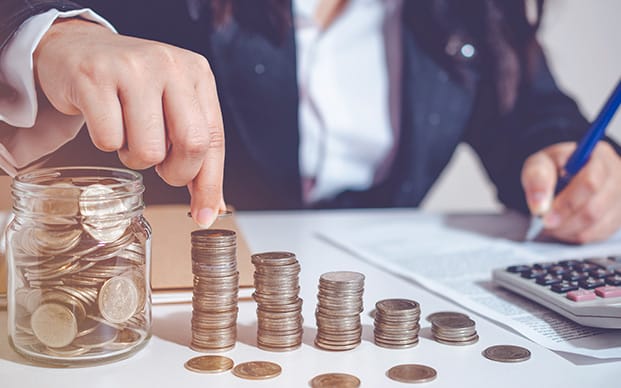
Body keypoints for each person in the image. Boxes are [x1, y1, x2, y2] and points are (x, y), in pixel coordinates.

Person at [1, 0, 620, 243]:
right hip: (157, 298)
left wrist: (568, 159)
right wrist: (51, 35)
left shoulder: (468, 10)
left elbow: (534, 113)